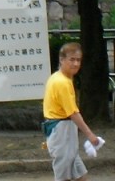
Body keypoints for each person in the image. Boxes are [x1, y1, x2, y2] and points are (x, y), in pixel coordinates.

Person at [43, 41, 105, 181]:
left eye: (78, 60)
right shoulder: (62, 82)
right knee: (63, 176)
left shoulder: (60, 78)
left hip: (63, 129)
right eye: (72, 59)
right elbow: (73, 113)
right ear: (62, 59)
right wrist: (90, 135)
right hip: (61, 131)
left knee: (79, 174)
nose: (76, 64)